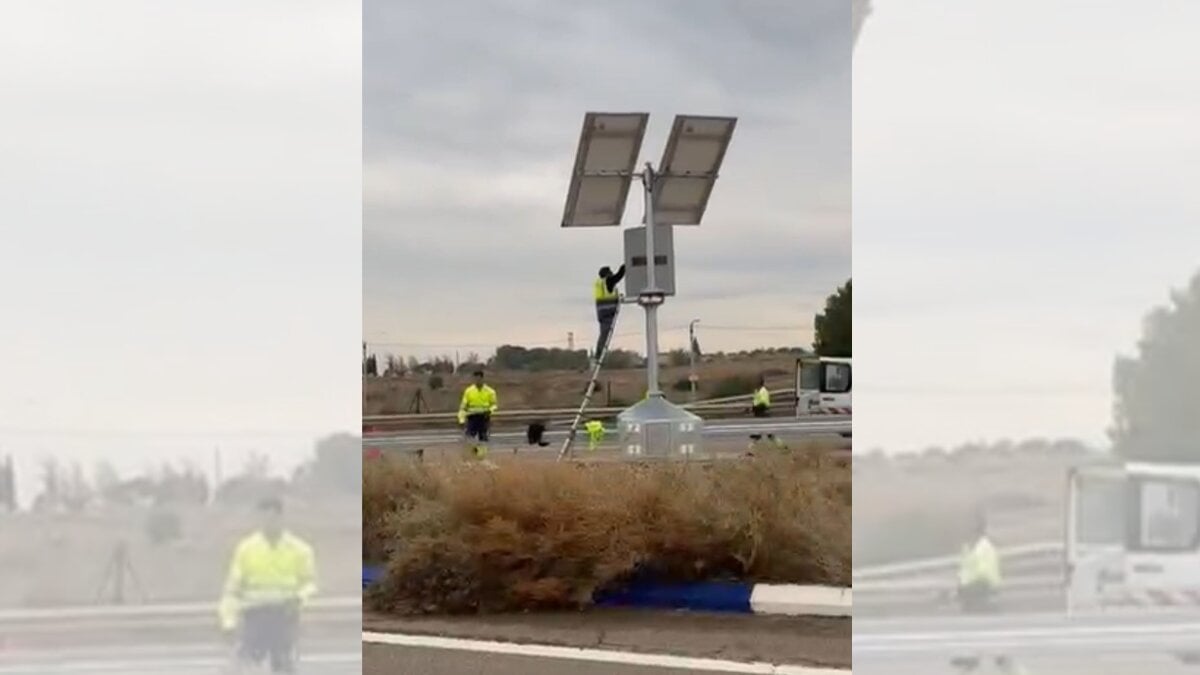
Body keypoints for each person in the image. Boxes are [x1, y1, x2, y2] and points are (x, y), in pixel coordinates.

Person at [219, 497, 317, 674]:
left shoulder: (300, 550)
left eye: (272, 518)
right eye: (264, 518)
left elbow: (310, 584)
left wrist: (299, 599)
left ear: (281, 518)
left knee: (284, 665)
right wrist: (228, 622)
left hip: (285, 616)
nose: (268, 523)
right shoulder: (246, 549)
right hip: (255, 616)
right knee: (244, 667)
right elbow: (232, 590)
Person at [458, 369, 498, 459]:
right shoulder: (469, 391)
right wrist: (461, 419)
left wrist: (490, 411)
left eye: (479, 379)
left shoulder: (490, 391)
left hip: (484, 417)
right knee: (469, 438)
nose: (477, 381)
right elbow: (463, 407)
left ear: (482, 379)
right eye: (475, 379)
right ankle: (471, 455)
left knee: (483, 438)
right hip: (472, 417)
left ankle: (481, 457)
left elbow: (494, 405)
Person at [593, 265, 626, 365]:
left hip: (603, 313)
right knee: (604, 335)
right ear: (607, 274)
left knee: (603, 335)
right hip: (607, 312)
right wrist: (626, 265)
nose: (612, 273)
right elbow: (619, 275)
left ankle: (599, 355)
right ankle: (599, 356)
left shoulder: (601, 283)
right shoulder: (607, 281)